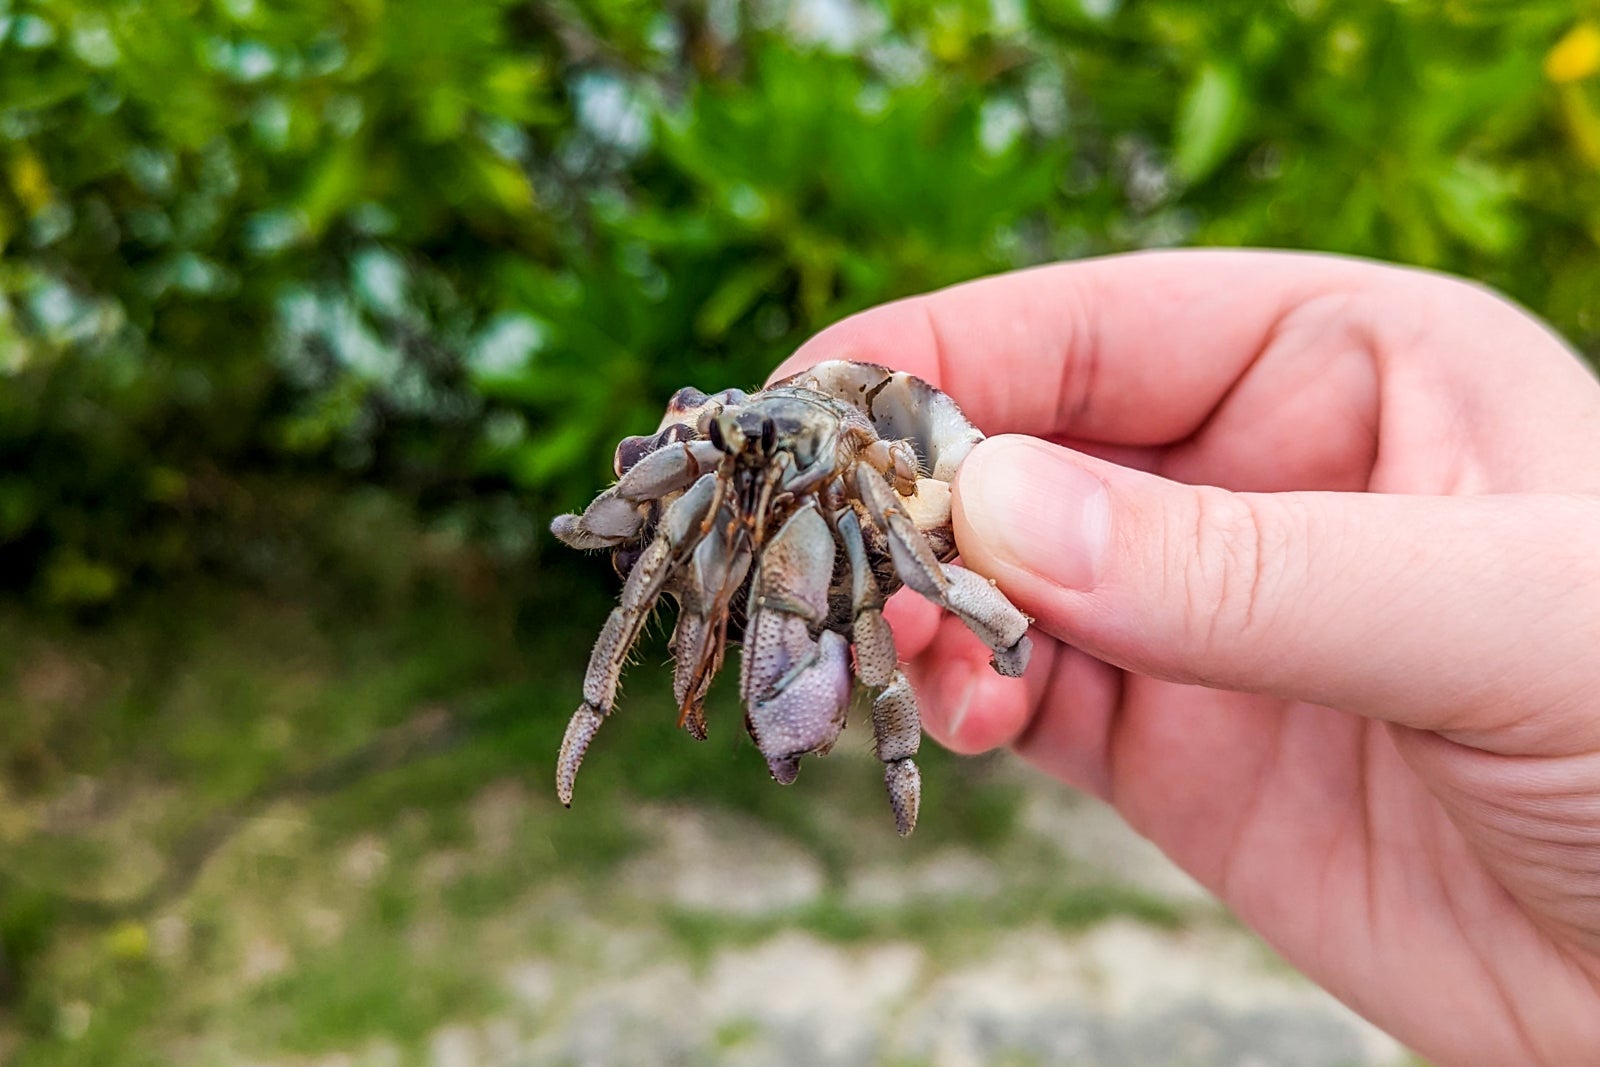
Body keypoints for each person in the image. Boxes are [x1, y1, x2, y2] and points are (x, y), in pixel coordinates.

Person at [768, 251, 1600, 1067]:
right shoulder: (761, 451)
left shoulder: (875, 446)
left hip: (885, 491)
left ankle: (897, 752)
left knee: (913, 623)